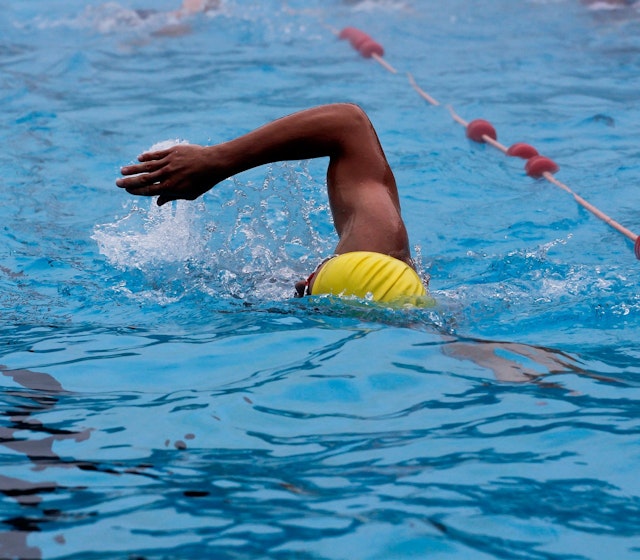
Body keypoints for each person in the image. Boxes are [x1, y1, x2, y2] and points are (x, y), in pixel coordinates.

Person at [116, 103, 430, 305]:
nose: (300, 280)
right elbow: (348, 126)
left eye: (309, 283)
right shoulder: (389, 259)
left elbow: (349, 123)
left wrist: (217, 160)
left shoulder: (385, 252)